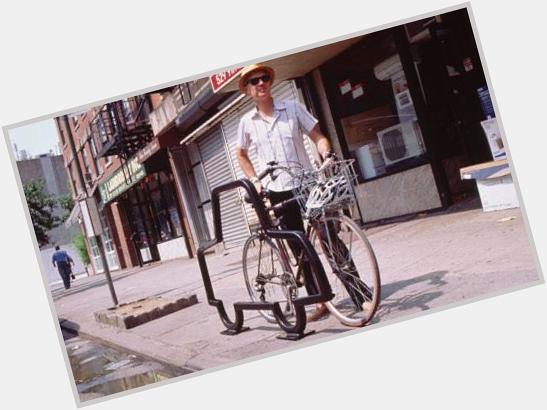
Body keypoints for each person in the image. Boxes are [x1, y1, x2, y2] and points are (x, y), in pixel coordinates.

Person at [236, 63, 334, 321]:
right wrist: (255, 180)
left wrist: (327, 153)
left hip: (305, 183)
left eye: (264, 78)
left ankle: (359, 294)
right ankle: (319, 301)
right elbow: (241, 154)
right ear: (247, 89)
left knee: (329, 237)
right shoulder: (247, 122)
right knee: (299, 248)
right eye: (254, 81)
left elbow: (318, 136)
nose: (260, 83)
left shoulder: (292, 108)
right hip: (277, 191)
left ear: (270, 82)